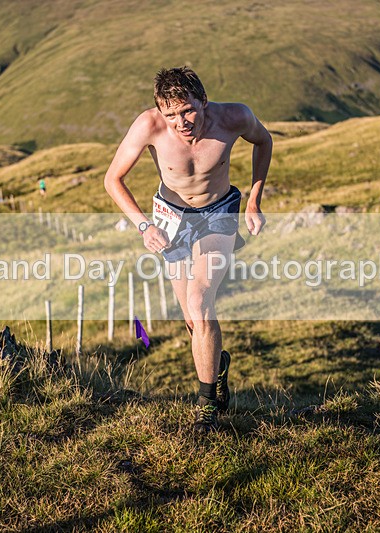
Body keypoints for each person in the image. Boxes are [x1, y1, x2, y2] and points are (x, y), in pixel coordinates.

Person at [104, 66, 272, 432]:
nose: (180, 122)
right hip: (169, 217)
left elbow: (264, 141)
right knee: (192, 319)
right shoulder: (148, 126)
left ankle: (206, 406)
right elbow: (112, 179)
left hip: (218, 213)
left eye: (187, 111)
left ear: (204, 101)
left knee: (200, 301)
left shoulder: (235, 116)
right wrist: (144, 226)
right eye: (171, 114)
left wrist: (254, 200)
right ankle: (217, 366)